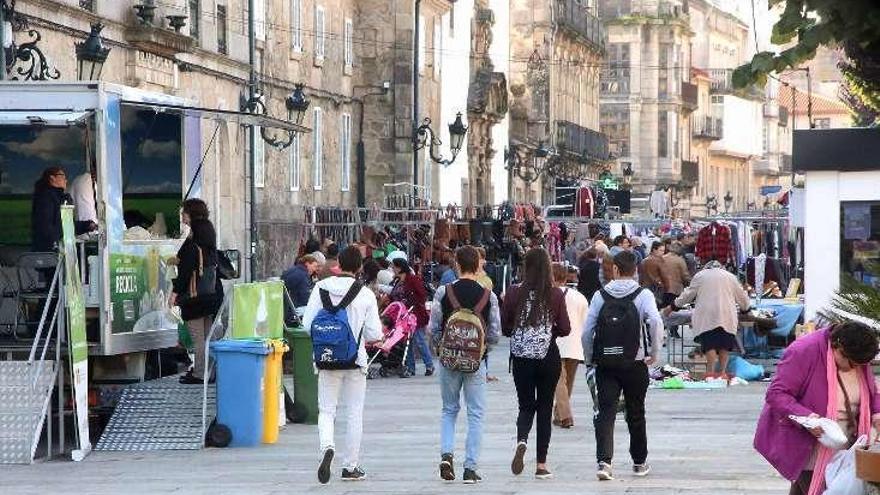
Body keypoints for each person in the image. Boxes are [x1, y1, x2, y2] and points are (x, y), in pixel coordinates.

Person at [754, 322, 880, 495]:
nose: (857, 369)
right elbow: (777, 394)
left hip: (849, 440)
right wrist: (809, 418)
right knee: (817, 487)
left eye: (861, 365)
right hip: (810, 443)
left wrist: (877, 413)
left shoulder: (859, 357)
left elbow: (873, 391)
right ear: (838, 347)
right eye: (852, 364)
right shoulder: (804, 350)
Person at [302, 246, 383, 484]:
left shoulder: (320, 288)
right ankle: (350, 467)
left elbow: (308, 325)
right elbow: (373, 333)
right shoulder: (366, 294)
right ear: (359, 267)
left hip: (326, 359)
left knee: (327, 410)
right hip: (355, 360)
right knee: (354, 412)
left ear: (338, 264)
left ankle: (327, 446)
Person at [582, 251, 664, 481]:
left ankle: (604, 462)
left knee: (605, 412)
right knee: (636, 412)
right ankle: (639, 462)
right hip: (635, 362)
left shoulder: (600, 295)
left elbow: (587, 331)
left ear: (615, 270)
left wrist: (590, 358)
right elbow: (656, 322)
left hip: (606, 363)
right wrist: (654, 353)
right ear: (635, 271)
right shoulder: (643, 294)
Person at [429, 246, 501, 484]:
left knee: (449, 410)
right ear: (479, 265)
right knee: (476, 413)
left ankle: (446, 454)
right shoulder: (487, 295)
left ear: (457, 265)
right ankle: (470, 468)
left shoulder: (444, 292)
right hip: (475, 362)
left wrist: (441, 349)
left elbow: (434, 328)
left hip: (449, 360)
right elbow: (494, 333)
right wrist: (481, 352)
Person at [501, 248, 571, 480]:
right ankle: (541, 464)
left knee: (525, 405)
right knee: (544, 407)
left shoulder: (513, 293)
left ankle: (522, 440)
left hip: (521, 359)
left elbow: (505, 327)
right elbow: (565, 328)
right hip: (547, 356)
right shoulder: (555, 294)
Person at [666, 261, 750, 380]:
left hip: (707, 314)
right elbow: (741, 295)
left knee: (710, 344)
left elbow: (688, 294)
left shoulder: (700, 276)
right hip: (726, 313)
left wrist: (673, 306)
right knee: (724, 345)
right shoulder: (730, 277)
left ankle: (710, 373)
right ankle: (722, 373)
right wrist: (746, 309)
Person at [170, 199, 223, 385]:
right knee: (208, 336)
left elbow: (185, 272)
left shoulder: (193, 245)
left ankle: (200, 373)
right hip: (209, 295)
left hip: (194, 298)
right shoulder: (208, 238)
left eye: (184, 212)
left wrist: (175, 292)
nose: (183, 216)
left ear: (191, 214)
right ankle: (212, 372)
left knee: (198, 338)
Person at [551, 263, 589, 429]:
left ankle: (565, 416)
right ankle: (559, 415)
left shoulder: (548, 296)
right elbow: (586, 323)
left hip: (556, 342)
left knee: (559, 382)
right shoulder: (579, 297)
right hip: (575, 344)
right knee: (568, 382)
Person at [31, 167, 96, 251]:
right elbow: (48, 228)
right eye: (63, 176)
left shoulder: (59, 197)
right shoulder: (46, 198)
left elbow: (66, 225)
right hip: (50, 251)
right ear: (52, 178)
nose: (66, 180)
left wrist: (87, 225)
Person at [389, 258, 434, 377]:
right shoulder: (397, 281)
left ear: (399, 268)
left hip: (415, 314)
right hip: (403, 316)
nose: (392, 269)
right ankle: (410, 367)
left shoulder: (412, 279)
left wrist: (412, 303)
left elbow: (422, 295)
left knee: (419, 340)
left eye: (394, 267)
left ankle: (429, 365)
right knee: (407, 342)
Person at [659, 241, 691, 308]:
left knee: (663, 310)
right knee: (674, 312)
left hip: (663, 289)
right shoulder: (680, 260)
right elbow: (685, 276)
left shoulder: (662, 258)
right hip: (676, 290)